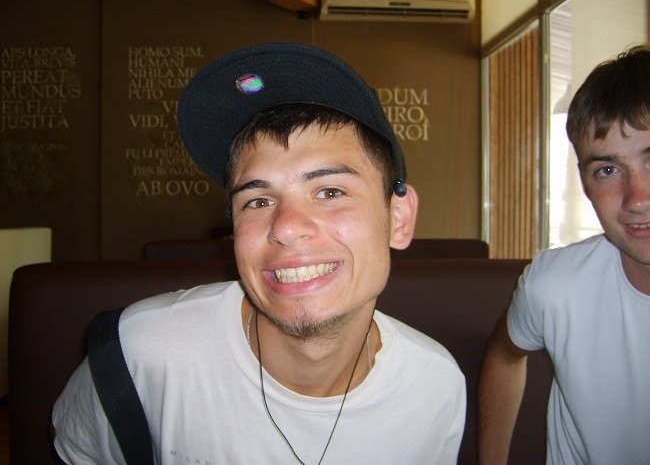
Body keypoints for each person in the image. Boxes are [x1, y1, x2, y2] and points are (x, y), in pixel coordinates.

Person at [52, 43, 466, 464]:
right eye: (258, 201)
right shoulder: (137, 357)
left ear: (398, 218)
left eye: (330, 192)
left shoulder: (436, 388)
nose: (285, 227)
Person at [477, 44, 650, 464]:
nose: (637, 198)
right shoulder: (556, 285)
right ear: (585, 184)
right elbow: (504, 354)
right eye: (607, 170)